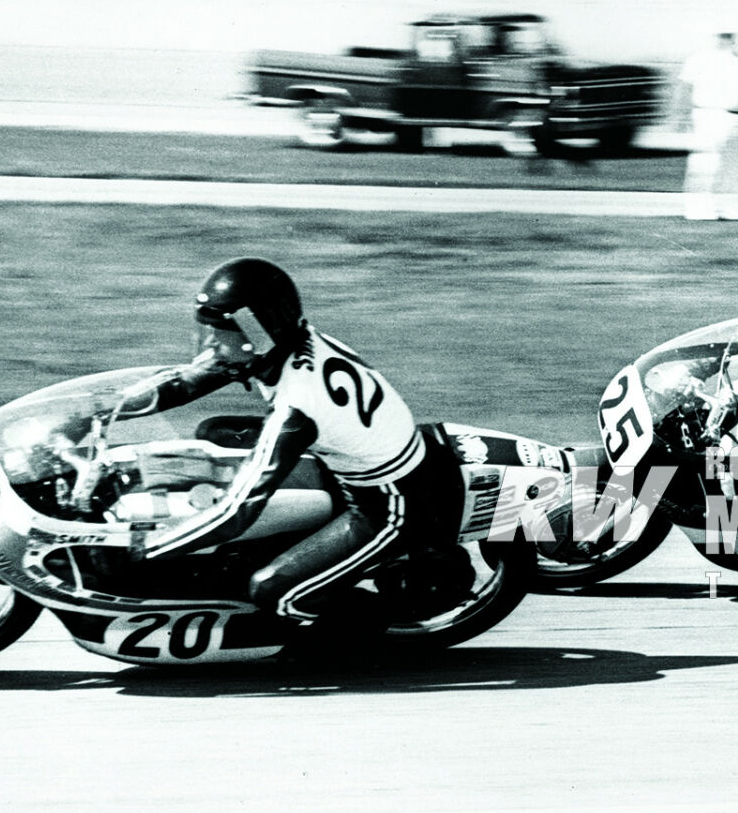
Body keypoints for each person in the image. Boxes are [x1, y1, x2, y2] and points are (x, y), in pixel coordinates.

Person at [108, 258, 469, 624]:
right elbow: (190, 380)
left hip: (389, 501)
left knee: (276, 594)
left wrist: (147, 550)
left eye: (223, 332)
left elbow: (238, 511)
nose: (212, 343)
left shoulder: (298, 403)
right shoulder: (286, 343)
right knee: (214, 433)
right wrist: (105, 408)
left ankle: (376, 631)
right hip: (345, 456)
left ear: (258, 333)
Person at [678, 30, 738, 220]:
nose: (726, 40)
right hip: (707, 115)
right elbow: (684, 89)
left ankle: (737, 210)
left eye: (729, 37)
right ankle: (698, 209)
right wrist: (681, 116)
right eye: (723, 36)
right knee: (705, 164)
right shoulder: (697, 61)